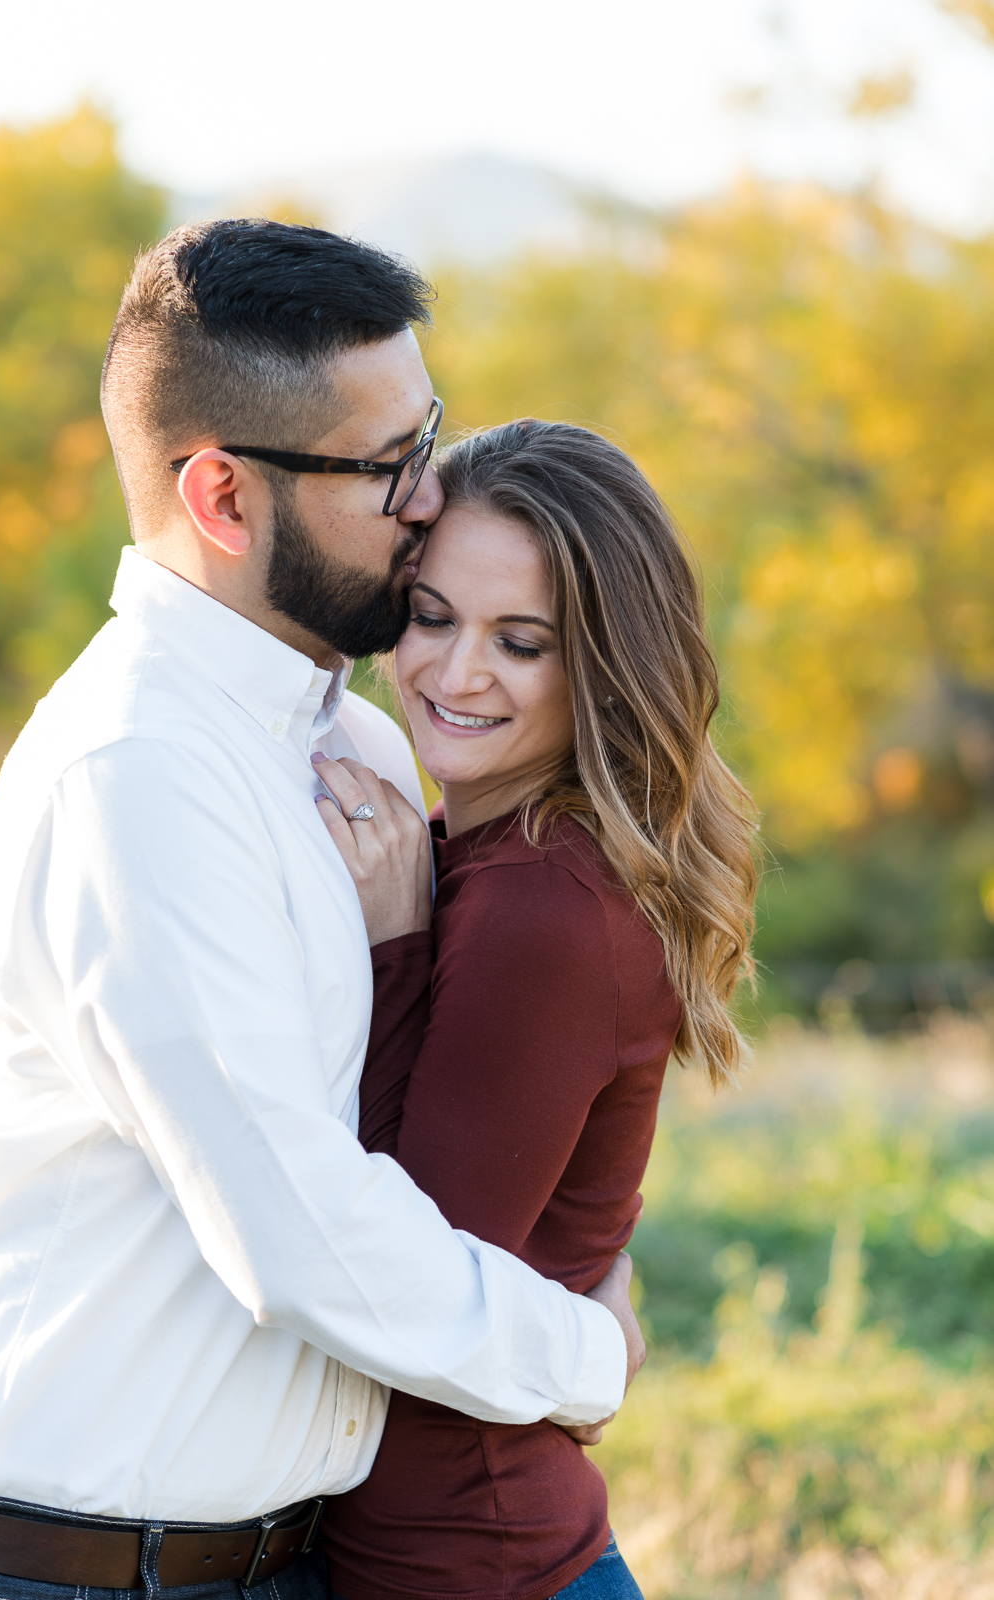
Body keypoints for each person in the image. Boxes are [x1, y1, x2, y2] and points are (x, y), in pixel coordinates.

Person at [0, 225, 642, 1600]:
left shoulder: (360, 752)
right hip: (81, 1579)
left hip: (298, 1565)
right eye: (388, 469)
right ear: (221, 497)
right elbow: (302, 1240)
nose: (432, 498)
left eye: (425, 438)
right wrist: (586, 1351)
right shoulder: (135, 779)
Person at [310, 420, 759, 1600]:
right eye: (430, 616)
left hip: (479, 1563)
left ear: (603, 664)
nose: (456, 676)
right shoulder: (490, 845)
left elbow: (403, 1270)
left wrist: (398, 946)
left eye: (521, 642)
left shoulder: (543, 899)